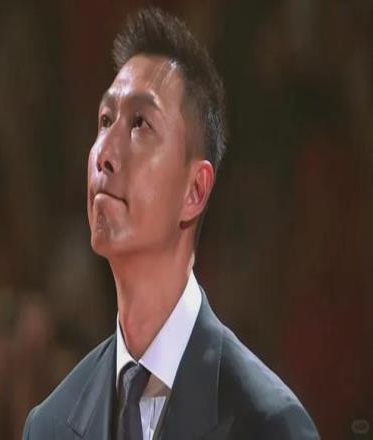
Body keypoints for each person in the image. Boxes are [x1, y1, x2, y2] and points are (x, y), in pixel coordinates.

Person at [22, 7, 319, 440]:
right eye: (105, 120)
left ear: (194, 191)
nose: (105, 152)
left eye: (140, 123)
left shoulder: (267, 423)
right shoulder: (49, 425)